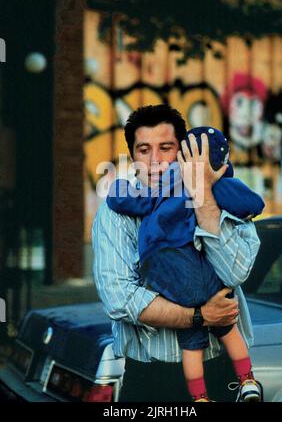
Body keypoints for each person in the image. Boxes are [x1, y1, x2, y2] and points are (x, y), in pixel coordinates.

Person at [92, 104, 261, 402]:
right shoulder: (116, 212)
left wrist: (203, 195)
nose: (155, 160)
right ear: (133, 156)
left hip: (221, 369)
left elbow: (236, 271)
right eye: (144, 149)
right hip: (151, 379)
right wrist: (199, 316)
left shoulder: (222, 194)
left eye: (165, 147)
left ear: (184, 151)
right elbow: (119, 298)